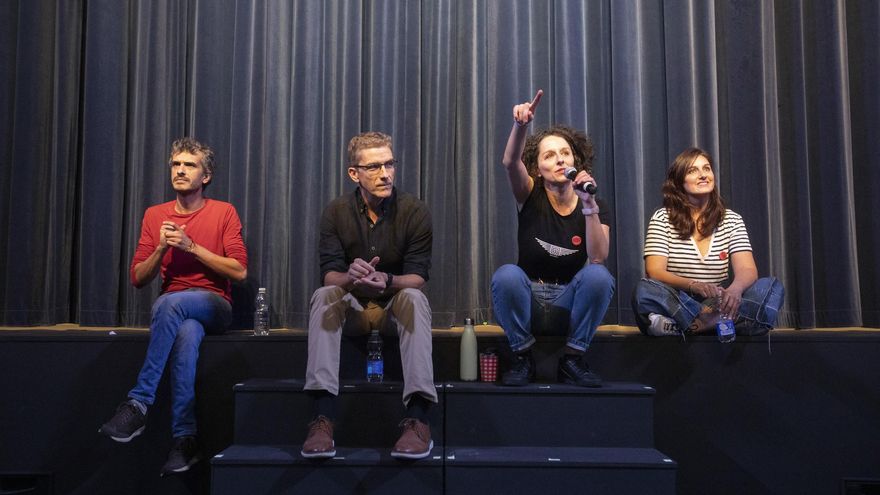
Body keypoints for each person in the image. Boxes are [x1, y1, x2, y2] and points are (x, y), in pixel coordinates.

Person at [98, 137, 248, 476]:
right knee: (186, 334)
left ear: (205, 176)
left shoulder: (223, 212)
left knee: (171, 303)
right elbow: (138, 277)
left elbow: (239, 271)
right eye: (176, 164)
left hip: (215, 304)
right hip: (175, 311)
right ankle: (185, 439)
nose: (180, 170)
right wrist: (161, 249)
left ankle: (139, 402)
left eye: (189, 165)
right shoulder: (155, 216)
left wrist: (190, 246)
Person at [300, 131, 436, 460]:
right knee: (325, 294)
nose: (385, 174)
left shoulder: (414, 211)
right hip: (354, 310)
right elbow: (329, 275)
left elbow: (418, 277)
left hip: (393, 308)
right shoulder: (336, 212)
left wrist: (387, 279)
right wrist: (351, 276)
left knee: (415, 298)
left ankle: (418, 420)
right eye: (374, 167)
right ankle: (322, 418)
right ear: (354, 173)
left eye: (389, 164)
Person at [492, 90, 615, 387]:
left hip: (567, 302)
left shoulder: (594, 203)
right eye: (549, 155)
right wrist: (520, 125)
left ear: (576, 161)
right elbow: (510, 162)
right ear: (537, 169)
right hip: (531, 299)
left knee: (599, 276)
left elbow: (598, 257)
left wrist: (589, 206)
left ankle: (573, 359)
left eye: (565, 153)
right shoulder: (530, 193)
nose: (560, 159)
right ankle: (523, 357)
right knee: (506, 275)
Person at [631, 147, 784, 337]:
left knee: (771, 287)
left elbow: (747, 269)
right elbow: (655, 271)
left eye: (707, 168)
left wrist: (734, 291)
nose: (703, 175)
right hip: (678, 299)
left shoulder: (732, 220)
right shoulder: (663, 218)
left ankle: (690, 326)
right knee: (644, 290)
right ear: (679, 181)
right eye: (692, 170)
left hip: (716, 302)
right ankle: (721, 321)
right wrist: (694, 285)